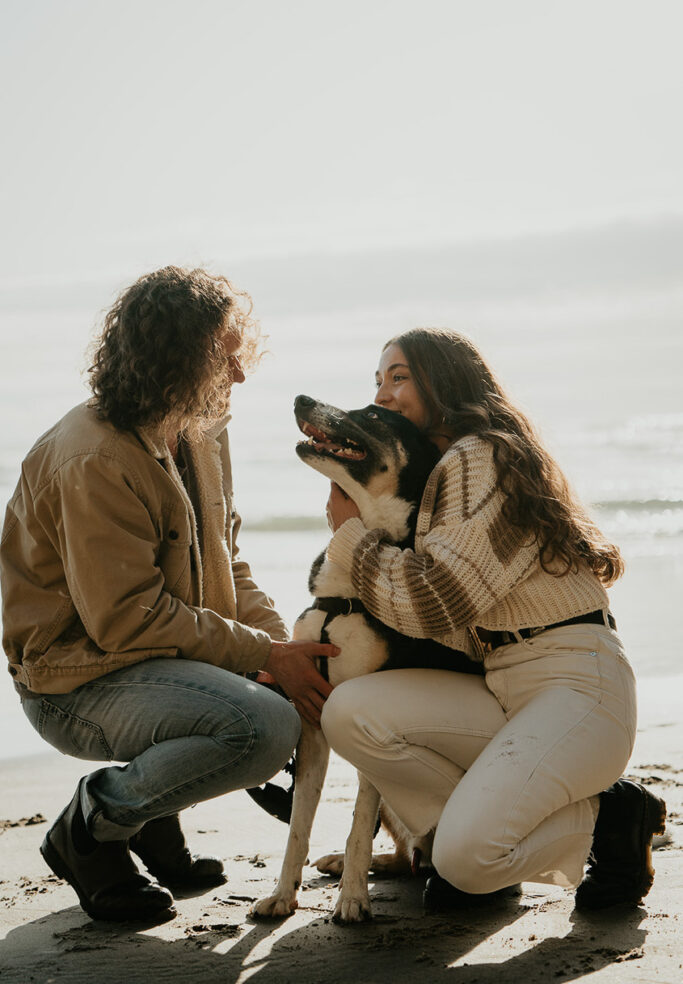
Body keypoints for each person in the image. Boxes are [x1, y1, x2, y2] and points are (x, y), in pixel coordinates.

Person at [0, 266, 336, 924]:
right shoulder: (93, 458)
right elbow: (126, 620)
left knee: (293, 685)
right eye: (224, 357)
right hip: (74, 685)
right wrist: (264, 658)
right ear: (174, 357)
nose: (239, 375)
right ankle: (91, 826)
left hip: (153, 663)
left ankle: (154, 819)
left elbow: (225, 565)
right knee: (261, 725)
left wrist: (288, 649)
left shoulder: (200, 429)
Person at [321, 327, 666, 912]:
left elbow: (434, 603)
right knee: (351, 713)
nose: (382, 394)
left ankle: (612, 817)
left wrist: (351, 535)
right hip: (503, 685)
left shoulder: (481, 455)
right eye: (377, 380)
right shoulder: (444, 475)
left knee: (464, 861)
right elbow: (442, 621)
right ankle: (484, 832)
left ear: (444, 381)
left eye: (399, 377)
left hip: (576, 685)